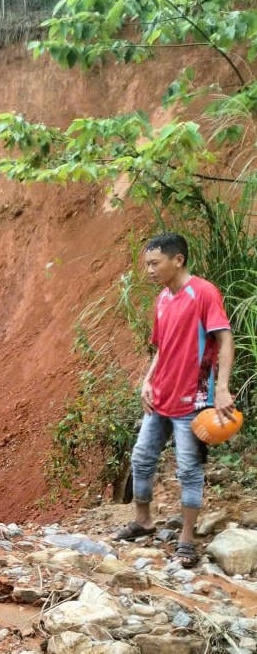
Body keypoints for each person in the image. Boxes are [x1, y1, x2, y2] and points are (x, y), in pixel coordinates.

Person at [112, 232, 236, 568]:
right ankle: (143, 520)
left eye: (155, 263)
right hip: (160, 397)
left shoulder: (204, 293)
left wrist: (222, 388)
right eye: (147, 264)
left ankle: (186, 539)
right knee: (141, 458)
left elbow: (225, 341)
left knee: (189, 470)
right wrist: (147, 381)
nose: (149, 270)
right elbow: (161, 349)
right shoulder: (163, 299)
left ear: (177, 260)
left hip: (193, 400)